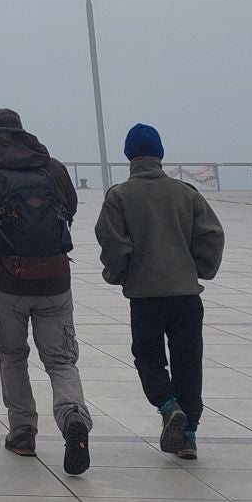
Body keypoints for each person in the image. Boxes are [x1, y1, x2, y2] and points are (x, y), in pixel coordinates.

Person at [0, 107, 92, 475]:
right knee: (61, 360)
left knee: (12, 356)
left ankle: (23, 433)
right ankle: (73, 419)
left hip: (8, 280)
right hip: (54, 277)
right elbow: (71, 209)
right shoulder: (52, 168)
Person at [95, 124, 225, 461]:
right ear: (160, 154)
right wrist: (199, 268)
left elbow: (112, 242)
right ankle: (189, 434)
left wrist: (119, 273)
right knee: (188, 359)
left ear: (129, 155)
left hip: (145, 295)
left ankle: (168, 405)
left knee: (148, 355)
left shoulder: (120, 196)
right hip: (185, 294)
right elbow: (211, 235)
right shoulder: (186, 193)